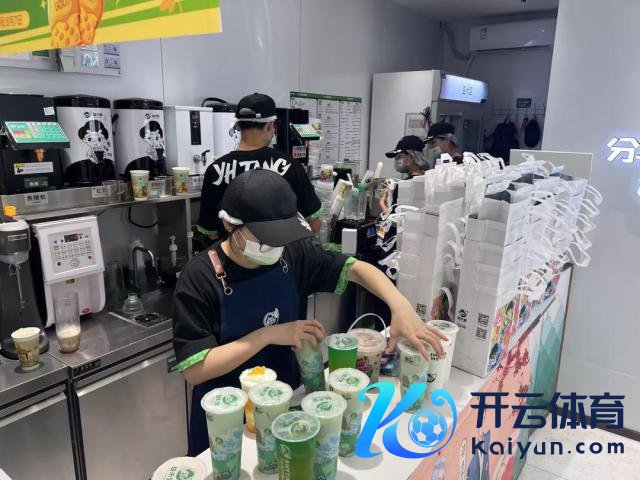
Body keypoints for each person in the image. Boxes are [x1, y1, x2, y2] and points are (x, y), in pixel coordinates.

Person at [173, 168, 448, 455]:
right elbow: (195, 370)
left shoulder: (292, 254)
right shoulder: (199, 278)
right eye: (266, 239)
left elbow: (355, 269)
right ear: (229, 224)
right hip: (229, 425)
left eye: (281, 237)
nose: (276, 247)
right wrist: (267, 335)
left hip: (286, 407)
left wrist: (400, 306)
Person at [197, 92, 322, 241]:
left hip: (234, 253)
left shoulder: (215, 170)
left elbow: (211, 232)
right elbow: (313, 224)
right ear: (270, 126)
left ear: (238, 125)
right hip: (282, 253)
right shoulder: (290, 165)